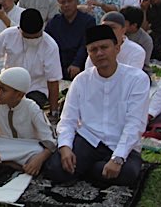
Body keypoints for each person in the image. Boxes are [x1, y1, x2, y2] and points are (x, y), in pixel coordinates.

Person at [43, 25, 149, 186]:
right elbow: (68, 120)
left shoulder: (137, 79)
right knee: (56, 169)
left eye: (104, 47)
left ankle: (88, 169)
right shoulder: (81, 80)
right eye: (93, 50)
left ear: (117, 48)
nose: (99, 53)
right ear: (88, 53)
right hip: (89, 139)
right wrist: (65, 147)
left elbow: (135, 123)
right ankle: (95, 170)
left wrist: (118, 158)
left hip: (120, 143)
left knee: (128, 173)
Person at [0, 67, 56, 176]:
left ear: (19, 95)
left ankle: (0, 163)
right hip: (3, 143)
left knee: (38, 151)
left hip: (26, 148)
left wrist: (39, 159)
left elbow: (50, 140)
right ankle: (11, 164)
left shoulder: (32, 108)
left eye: (4, 90)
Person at [0, 9, 62, 113]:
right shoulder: (8, 34)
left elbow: (53, 81)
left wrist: (54, 111)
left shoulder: (50, 46)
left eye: (35, 37)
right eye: (27, 37)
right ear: (20, 30)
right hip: (8, 85)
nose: (31, 41)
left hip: (35, 88)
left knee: (26, 110)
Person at [45, 0, 96, 80]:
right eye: (63, 2)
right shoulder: (53, 23)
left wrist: (77, 63)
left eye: (69, 1)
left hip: (81, 66)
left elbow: (86, 45)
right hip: (58, 65)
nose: (66, 5)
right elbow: (47, 44)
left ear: (76, 2)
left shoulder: (88, 21)